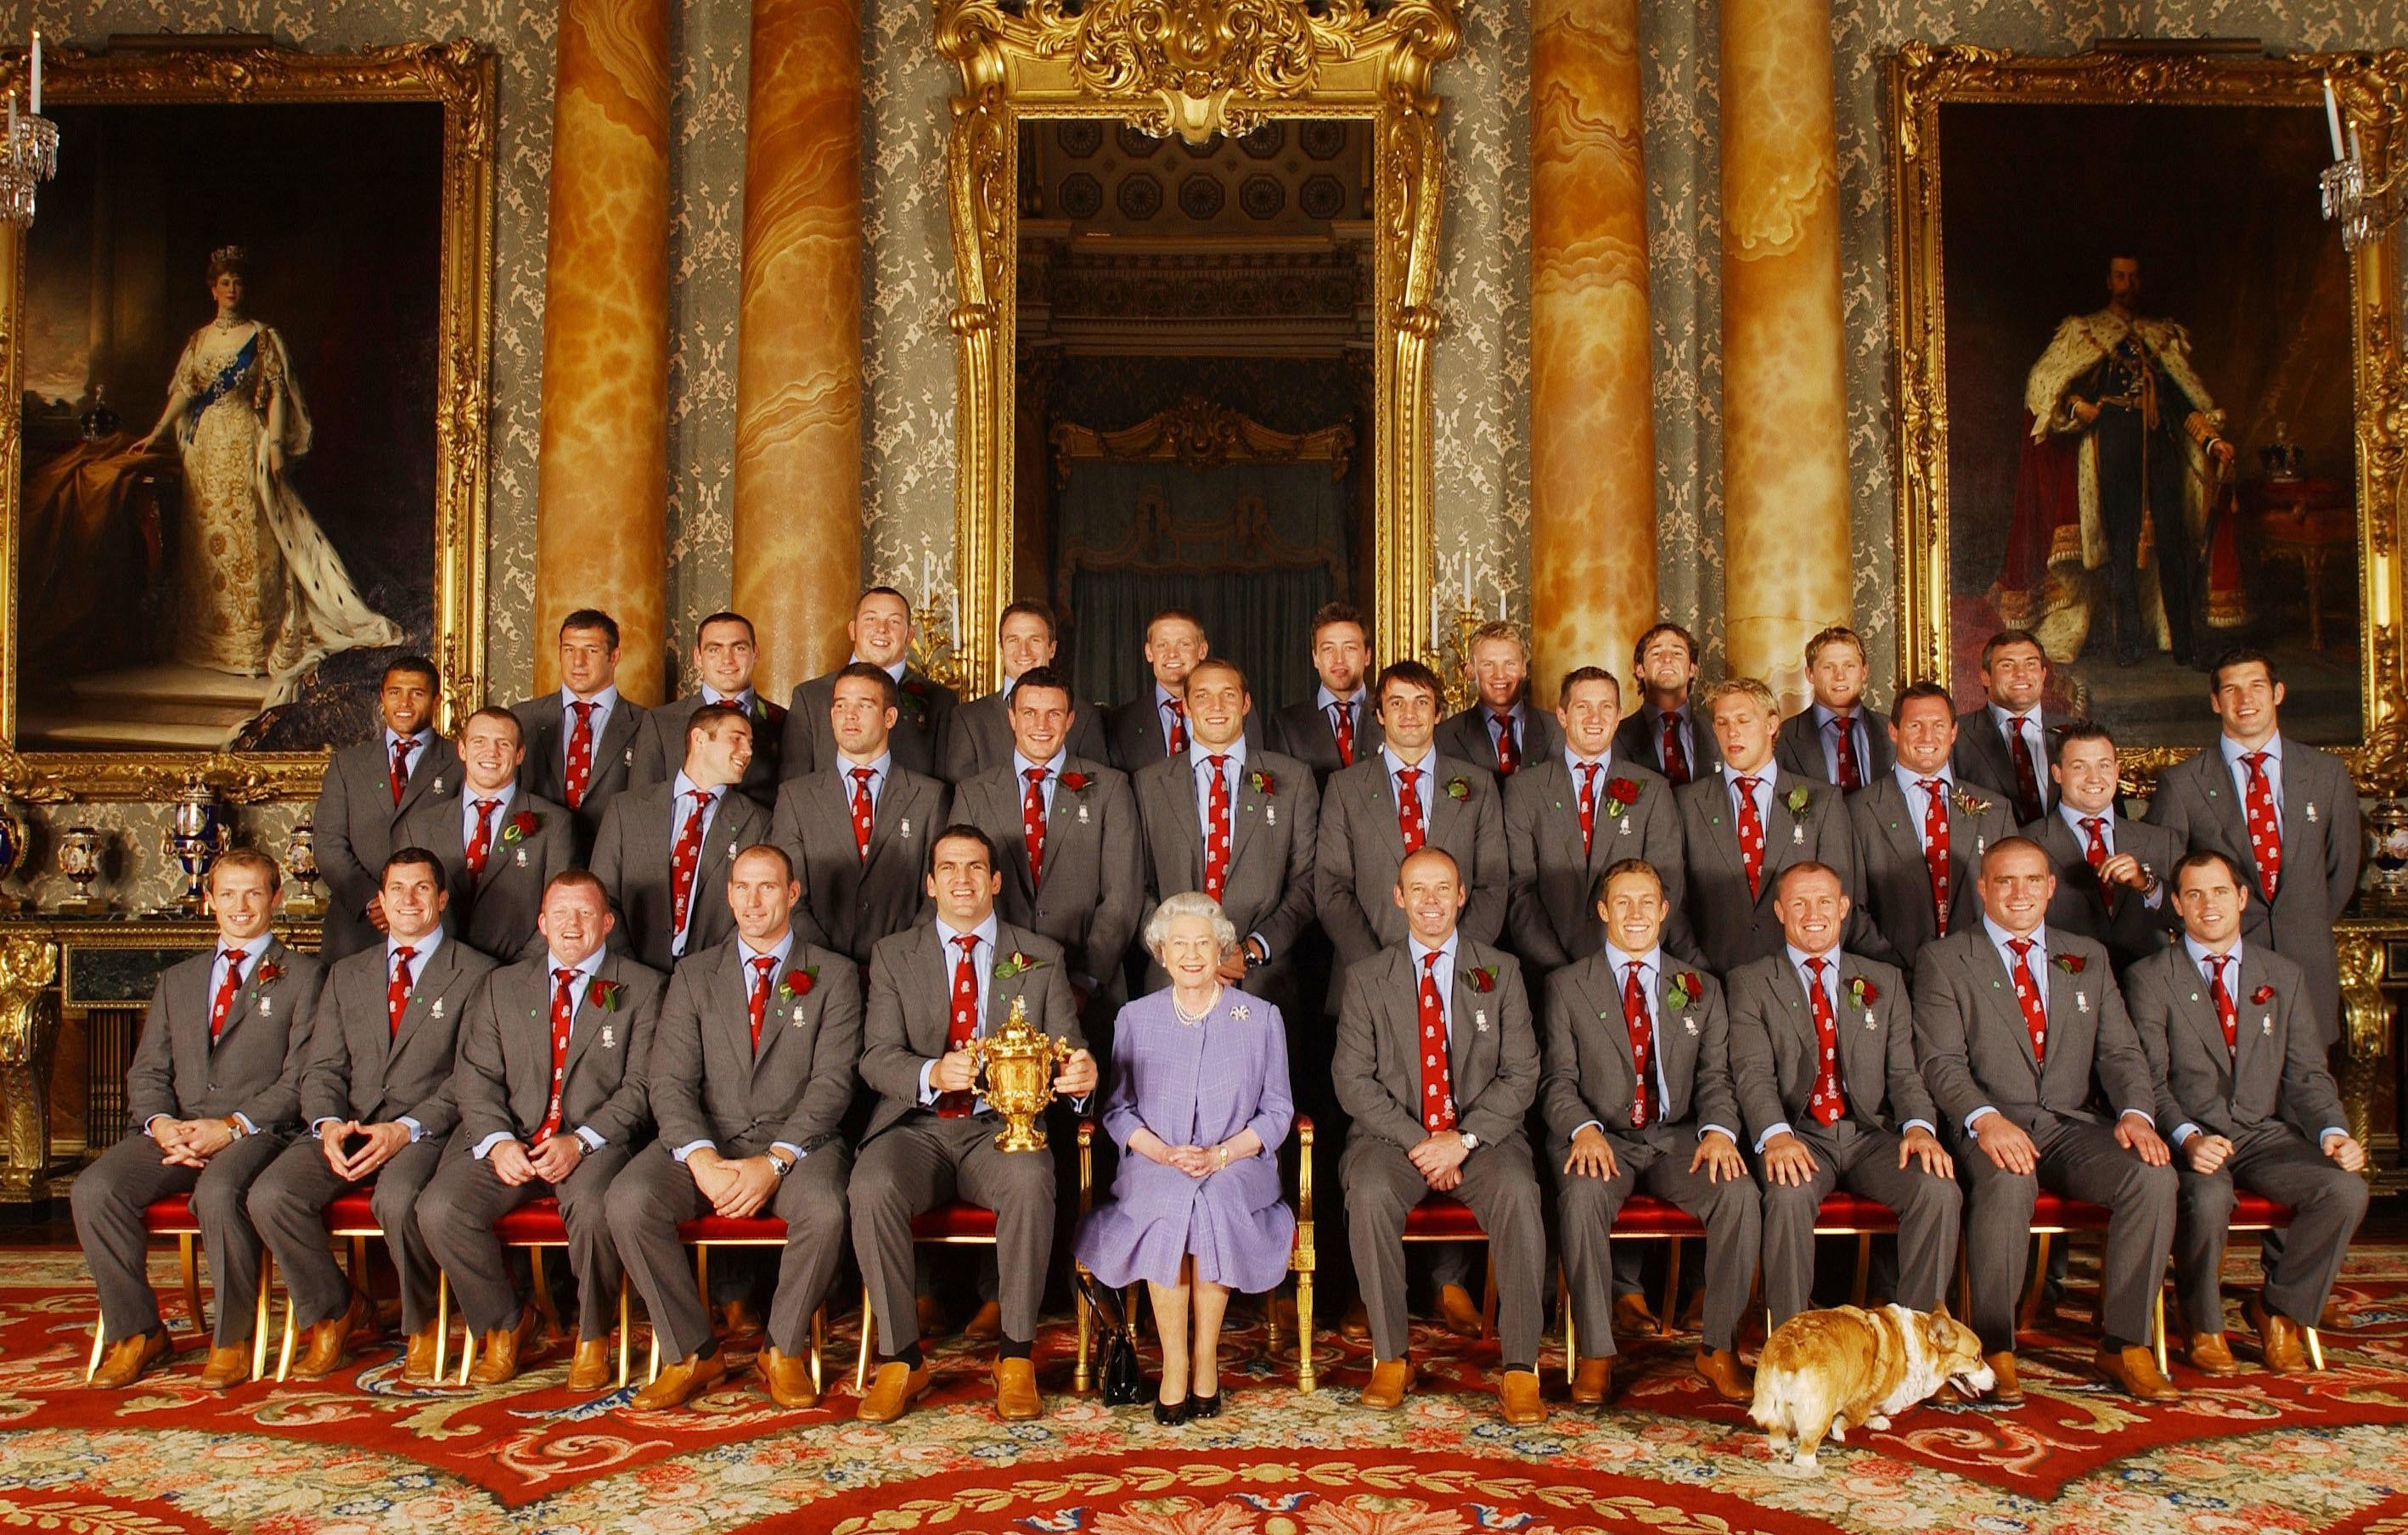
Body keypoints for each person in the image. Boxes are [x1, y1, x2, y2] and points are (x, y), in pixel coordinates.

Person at [1910, 837, 2179, 1403]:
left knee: (2152, 1176)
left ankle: (2123, 1343)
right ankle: (1993, 1345)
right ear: (1983, 889)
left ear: (2051, 888)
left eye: (2033, 881)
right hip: (1988, 1127)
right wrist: (1985, 1120)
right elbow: (1940, 1062)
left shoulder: (2087, 955)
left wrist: (2135, 1115)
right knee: (2009, 1184)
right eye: (2005, 881)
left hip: (2068, 1126)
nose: (2020, 894)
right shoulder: (1945, 958)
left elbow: (2122, 1053)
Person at [849, 826, 1097, 1423]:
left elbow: (1070, 1051)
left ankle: (1015, 1356)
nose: (963, 880)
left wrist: (1082, 1074)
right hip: (917, 1127)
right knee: (870, 1185)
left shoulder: (1040, 955)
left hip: (1002, 1131)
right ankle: (901, 1360)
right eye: (949, 869)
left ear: (995, 881)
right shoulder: (892, 954)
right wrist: (933, 1070)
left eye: (975, 868)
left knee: (1031, 1180)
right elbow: (876, 1057)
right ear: (931, 884)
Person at [607, 846, 861, 1409]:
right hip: (709, 1139)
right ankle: (693, 1351)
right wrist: (699, 1158)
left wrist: (774, 1162)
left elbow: (832, 1085)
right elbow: (669, 1082)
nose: (753, 901)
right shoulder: (694, 975)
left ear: (792, 894)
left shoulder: (835, 974)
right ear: (727, 894)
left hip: (799, 1143)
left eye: (767, 887)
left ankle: (782, 1348)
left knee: (825, 1209)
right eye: (742, 887)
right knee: (628, 1201)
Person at [76, 852, 325, 1390]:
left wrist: (231, 1126)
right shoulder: (179, 980)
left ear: (275, 899)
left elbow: (301, 1080)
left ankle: (232, 1337)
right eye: (228, 894)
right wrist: (163, 1125)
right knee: (95, 1189)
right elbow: (146, 1073)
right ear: (209, 900)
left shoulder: (305, 977)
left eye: (254, 893)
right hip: (177, 1128)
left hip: (258, 1133)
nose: (240, 906)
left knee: (217, 1193)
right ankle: (138, 1330)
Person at [246, 850, 495, 1380]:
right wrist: (328, 1124)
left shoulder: (477, 974)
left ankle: (423, 1323)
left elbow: (470, 1080)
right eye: (397, 889)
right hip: (350, 1126)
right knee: (271, 1195)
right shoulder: (346, 974)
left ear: (442, 899)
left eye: (422, 888)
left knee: (400, 1198)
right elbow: (323, 1068)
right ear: (380, 901)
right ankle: (335, 1308)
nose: (409, 900)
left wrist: (405, 1129)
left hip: (425, 1131)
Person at [420, 871, 666, 1392]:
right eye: (560, 914)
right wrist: (499, 1141)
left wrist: (582, 1141)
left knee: (597, 1208)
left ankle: (594, 1335)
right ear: (541, 923)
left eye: (583, 914)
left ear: (606, 923)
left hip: (592, 1141)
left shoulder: (643, 988)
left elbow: (643, 1086)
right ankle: (507, 1323)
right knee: (439, 1208)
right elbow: (475, 1076)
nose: (571, 925)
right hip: (510, 1140)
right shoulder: (501, 986)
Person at [2128, 850, 2369, 1375]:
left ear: (2241, 899)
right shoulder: (2150, 977)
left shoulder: (2282, 974)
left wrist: (2332, 1129)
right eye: (2193, 894)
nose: (2207, 905)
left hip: (2263, 1134)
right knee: (2209, 1198)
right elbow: (2147, 1078)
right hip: (2186, 1137)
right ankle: (2203, 1322)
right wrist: (2187, 1137)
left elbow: (2307, 1073)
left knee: (2345, 1190)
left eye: (2219, 892)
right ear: (2177, 904)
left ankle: (2276, 1309)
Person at [1336, 847, 1546, 1425]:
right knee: (1370, 1192)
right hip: (1392, 1140)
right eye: (1417, 890)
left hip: (1482, 1139)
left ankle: (1522, 1368)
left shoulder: (1500, 971)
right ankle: (1390, 1355)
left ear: (1461, 896)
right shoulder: (1366, 978)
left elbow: (1522, 1072)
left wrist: (1464, 1139)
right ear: (1399, 897)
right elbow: (1352, 1081)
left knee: (1521, 1193)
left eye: (1442, 889)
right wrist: (1420, 1142)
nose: (1430, 902)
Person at [132, 245, 401, 697]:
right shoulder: (199, 341)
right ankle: (211, 647)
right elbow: (185, 392)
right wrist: (158, 432)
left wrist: (275, 445)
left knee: (252, 543)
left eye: (238, 282)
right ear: (212, 290)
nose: (232, 289)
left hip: (245, 444)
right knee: (207, 545)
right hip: (206, 454)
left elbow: (276, 393)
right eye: (224, 283)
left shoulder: (262, 337)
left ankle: (254, 647)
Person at [1543, 858, 1759, 1406]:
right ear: (1602, 910)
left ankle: (1718, 1347)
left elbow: (1715, 1079)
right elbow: (1556, 1081)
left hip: (1676, 1137)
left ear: (1664, 911)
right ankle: (1595, 1350)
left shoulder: (1700, 987)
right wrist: (1583, 1131)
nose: (1635, 914)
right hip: (1603, 1138)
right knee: (1583, 1194)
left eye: (1646, 903)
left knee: (1738, 1193)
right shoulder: (1567, 986)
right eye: (1622, 902)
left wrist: (1718, 1133)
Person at [1076, 893, 1297, 1424]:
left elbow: (1278, 1111)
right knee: (1173, 1201)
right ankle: (1174, 1365)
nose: (1193, 955)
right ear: (1161, 952)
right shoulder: (1135, 1017)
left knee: (1212, 1202)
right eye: (1180, 944)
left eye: (1203, 942)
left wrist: (1222, 1153)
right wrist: (1163, 1152)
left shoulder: (1261, 1018)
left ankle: (1205, 1362)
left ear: (1222, 947)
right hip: (1156, 1163)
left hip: (1238, 1165)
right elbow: (1118, 1111)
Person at [1724, 862, 1959, 1330]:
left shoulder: (1884, 981)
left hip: (1870, 1133)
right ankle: (1794, 1345)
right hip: (1800, 1133)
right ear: (1779, 911)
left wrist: (1919, 1128)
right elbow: (1752, 1074)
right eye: (1799, 903)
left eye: (1824, 902)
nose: (1814, 914)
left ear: (1844, 908)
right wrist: (1775, 1136)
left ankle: (1915, 1342)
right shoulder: (1750, 982)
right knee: (1788, 1194)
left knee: (1938, 1189)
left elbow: (1904, 1073)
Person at [2017, 254, 2238, 667]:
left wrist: (2211, 443)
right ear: (2109, 282)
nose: (2128, 284)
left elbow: (2180, 402)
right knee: (2121, 545)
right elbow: (2049, 384)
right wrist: (2076, 404)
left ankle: (2185, 645)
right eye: (2121, 277)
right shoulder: (2087, 332)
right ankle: (2128, 645)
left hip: (2159, 444)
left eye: (2135, 277)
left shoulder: (2159, 337)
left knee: (2172, 543)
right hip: (2113, 440)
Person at [2148, 648, 2360, 1048]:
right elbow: (2169, 882)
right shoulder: (2183, 783)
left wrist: (2301, 922)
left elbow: (2342, 869)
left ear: (2278, 692)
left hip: (2309, 966)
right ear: (2215, 702)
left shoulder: (2326, 774)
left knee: (2309, 1097)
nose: (2245, 700)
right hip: (2224, 971)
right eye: (2231, 690)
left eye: (2256, 687)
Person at [952, 666, 1143, 1029]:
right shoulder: (973, 793)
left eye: (1053, 713)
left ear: (1070, 719)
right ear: (1011, 718)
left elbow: (1122, 897)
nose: (1042, 724)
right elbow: (960, 891)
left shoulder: (1111, 789)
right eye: (1029, 713)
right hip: (995, 985)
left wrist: (1085, 982)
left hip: (1089, 991)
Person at [1315, 660, 1506, 1011]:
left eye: (1421, 701)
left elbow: (1493, 884)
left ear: (1437, 714)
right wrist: (1384, 969)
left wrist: (1454, 957)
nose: (1409, 713)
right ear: (1380, 715)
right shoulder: (1344, 789)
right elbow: (1332, 888)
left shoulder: (1478, 784)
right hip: (1367, 979)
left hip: (1459, 978)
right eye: (1396, 702)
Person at [1130, 658, 1319, 1004]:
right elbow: (1135, 883)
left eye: (1227, 695)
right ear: (1186, 707)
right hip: (1170, 982)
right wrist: (1182, 953)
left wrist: (1251, 950)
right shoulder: (1149, 783)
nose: (1216, 707)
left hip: (1263, 981)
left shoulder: (1294, 779)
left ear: (1245, 704)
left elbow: (1307, 881)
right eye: (1202, 696)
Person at [768, 662, 950, 969]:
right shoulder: (796, 797)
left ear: (889, 717)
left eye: (864, 705)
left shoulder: (929, 797)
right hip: (818, 973)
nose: (849, 715)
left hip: (904, 970)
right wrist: (831, 964)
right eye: (840, 706)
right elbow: (788, 895)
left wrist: (898, 958)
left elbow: (936, 896)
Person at [1505, 666, 1685, 973]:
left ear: (1618, 717)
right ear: (1561, 716)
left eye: (1605, 708)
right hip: (1547, 972)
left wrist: (1622, 957)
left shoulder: (1653, 791)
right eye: (1582, 707)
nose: (1594, 718)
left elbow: (1666, 884)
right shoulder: (1523, 791)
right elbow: (1519, 891)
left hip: (1629, 968)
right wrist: (1560, 970)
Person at [1674, 678, 1859, 974]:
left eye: (1743, 720)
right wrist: (1701, 975)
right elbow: (1674, 903)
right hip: (1714, 982)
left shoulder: (1823, 801)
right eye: (1722, 723)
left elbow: (1840, 902)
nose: (1731, 732)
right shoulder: (1687, 803)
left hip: (1798, 981)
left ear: (1772, 724)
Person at [589, 702, 771, 971]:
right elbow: (601, 897)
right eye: (736, 739)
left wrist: (701, 976)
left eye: (750, 743)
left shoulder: (759, 822)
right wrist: (633, 971)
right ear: (698, 739)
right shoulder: (626, 810)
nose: (747, 752)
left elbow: (753, 914)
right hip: (629, 978)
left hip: (709, 981)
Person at [1847, 682, 2017, 967]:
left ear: (1953, 733)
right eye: (1915, 725)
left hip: (1981, 978)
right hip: (1895, 979)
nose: (1927, 736)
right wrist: (1896, 969)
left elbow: (2011, 899)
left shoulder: (1995, 810)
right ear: (1893, 731)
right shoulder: (1857, 811)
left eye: (1938, 725)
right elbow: (1851, 909)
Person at [401, 706, 576, 964]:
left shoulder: (555, 824)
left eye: (503, 744)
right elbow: (405, 910)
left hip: (516, 977)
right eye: (479, 741)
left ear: (519, 754)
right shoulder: (419, 826)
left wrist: (515, 974)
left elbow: (563, 911)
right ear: (462, 750)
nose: (490, 752)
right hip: (435, 975)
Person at [312, 656, 460, 960]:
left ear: (436, 700)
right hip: (357, 930)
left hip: (434, 926)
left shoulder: (461, 762)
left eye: (416, 693)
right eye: (395, 692)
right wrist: (371, 901)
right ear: (382, 697)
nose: (404, 702)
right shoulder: (347, 764)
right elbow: (328, 845)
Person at [2028, 721, 2183, 974]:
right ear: (2057, 773)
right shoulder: (2028, 843)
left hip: (2148, 994)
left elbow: (2190, 920)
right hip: (2065, 992)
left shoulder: (2160, 841)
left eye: (2104, 766)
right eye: (2079, 767)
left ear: (2117, 770)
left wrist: (2147, 885)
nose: (2094, 778)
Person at [781, 588, 958, 781]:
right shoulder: (810, 698)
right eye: (870, 619)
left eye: (894, 621)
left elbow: (945, 791)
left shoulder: (940, 701)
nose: (882, 628)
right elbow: (794, 791)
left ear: (910, 635)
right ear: (852, 630)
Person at [511, 609, 650, 852]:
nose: (578, 662)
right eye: (569, 649)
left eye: (591, 650)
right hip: (537, 858)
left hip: (613, 858)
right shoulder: (523, 718)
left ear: (614, 657)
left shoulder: (645, 723)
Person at [940, 599, 1109, 782]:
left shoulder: (1085, 716)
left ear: (1052, 648)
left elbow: (1096, 794)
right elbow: (964, 800)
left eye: (1034, 640)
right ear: (1001, 649)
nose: (1024, 652)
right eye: (1014, 640)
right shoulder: (969, 720)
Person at [631, 611, 788, 804]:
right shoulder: (660, 722)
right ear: (698, 656)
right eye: (714, 649)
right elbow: (642, 804)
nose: (727, 660)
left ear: (755, 653)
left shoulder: (785, 722)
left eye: (739, 648)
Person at [1106, 608, 1263, 771]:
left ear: (1202, 650)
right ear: (1149, 652)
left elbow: (1256, 774)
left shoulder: (1236, 711)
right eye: (1162, 645)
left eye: (1184, 644)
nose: (1172, 654)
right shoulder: (1121, 722)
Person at [1952, 631, 2068, 829]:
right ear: (1985, 677)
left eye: (2030, 664)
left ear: (2043, 674)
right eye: (2007, 665)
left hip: (2067, 858)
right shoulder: (1955, 736)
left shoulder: (2076, 733)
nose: (2021, 673)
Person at [1268, 601, 1383, 782]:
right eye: (1329, 649)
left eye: (1350, 648)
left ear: (1367, 655)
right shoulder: (1286, 726)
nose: (1339, 659)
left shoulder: (1392, 716)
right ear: (1315, 658)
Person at [1434, 621, 1564, 778]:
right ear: (1470, 671)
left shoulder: (1559, 732)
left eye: (1509, 664)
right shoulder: (1444, 737)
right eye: (1488, 665)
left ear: (1523, 668)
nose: (1500, 675)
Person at [1773, 627, 1892, 791]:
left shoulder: (1892, 732)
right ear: (1810, 674)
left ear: (1864, 672)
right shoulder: (1783, 737)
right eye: (1828, 667)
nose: (1840, 676)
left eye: (1849, 666)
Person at [1612, 622, 1706, 787]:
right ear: (1640, 669)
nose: (1667, 659)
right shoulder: (1616, 736)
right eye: (1656, 653)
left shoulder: (1718, 734)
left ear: (1692, 669)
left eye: (1677, 653)